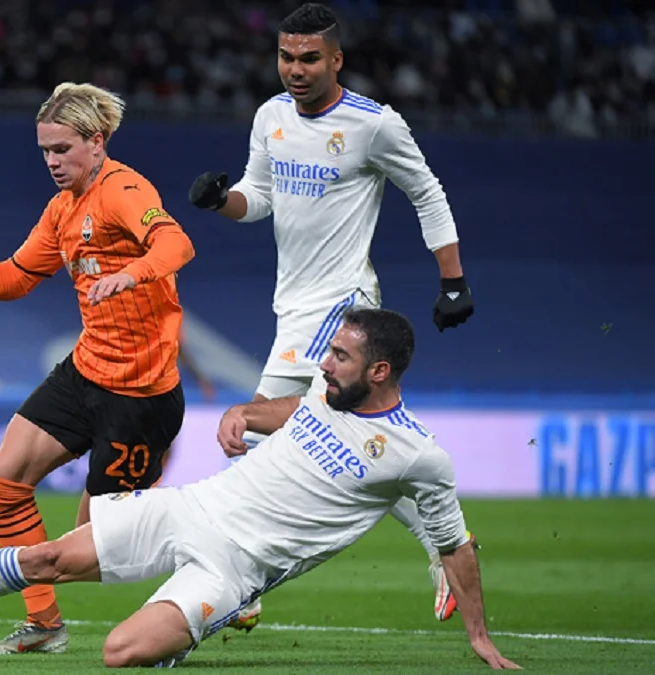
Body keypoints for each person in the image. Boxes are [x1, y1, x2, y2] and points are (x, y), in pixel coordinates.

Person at [0, 308, 520, 671]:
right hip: (190, 506)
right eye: (330, 350)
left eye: (340, 356)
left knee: (121, 652)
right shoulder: (323, 392)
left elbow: (454, 544)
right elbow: (297, 408)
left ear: (380, 372)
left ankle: (196, 623)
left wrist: (479, 635)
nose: (326, 362)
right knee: (47, 556)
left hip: (235, 567)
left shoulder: (419, 455)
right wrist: (247, 413)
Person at [188, 2, 475, 626]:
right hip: (292, 305)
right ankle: (445, 544)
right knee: (322, 439)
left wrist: (453, 281)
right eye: (286, 56)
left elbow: (426, 191)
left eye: (309, 58)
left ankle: (240, 584)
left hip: (342, 303)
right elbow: (259, 198)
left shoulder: (373, 125)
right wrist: (222, 200)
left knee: (249, 430)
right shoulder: (270, 116)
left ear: (336, 60)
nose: (296, 69)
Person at [0, 81, 196, 655]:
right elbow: (15, 276)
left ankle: (217, 562)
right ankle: (44, 626)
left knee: (96, 546)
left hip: (140, 396)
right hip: (85, 372)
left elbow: (176, 243)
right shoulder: (62, 209)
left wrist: (130, 274)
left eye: (62, 149)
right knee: (2, 482)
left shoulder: (124, 189)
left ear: (96, 142)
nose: (53, 162)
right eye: (45, 151)